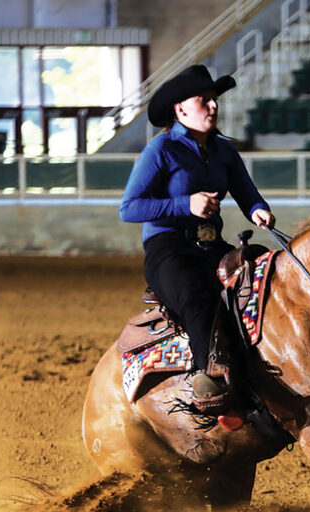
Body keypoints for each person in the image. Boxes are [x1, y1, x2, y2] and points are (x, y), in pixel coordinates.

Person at [119, 64, 276, 407]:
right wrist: (184, 204)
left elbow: (246, 193)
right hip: (169, 249)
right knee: (196, 296)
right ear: (180, 109)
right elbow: (128, 208)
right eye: (204, 100)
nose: (214, 106)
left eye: (214, 99)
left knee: (266, 276)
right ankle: (210, 375)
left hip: (211, 246)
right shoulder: (160, 151)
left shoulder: (224, 151)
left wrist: (258, 210)